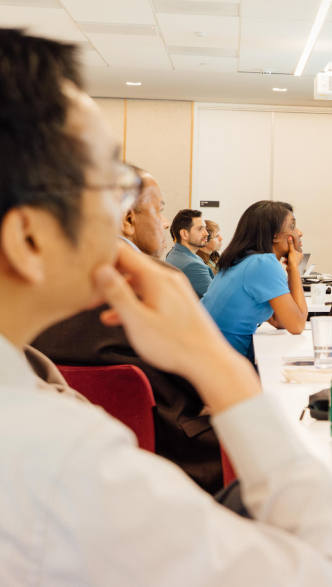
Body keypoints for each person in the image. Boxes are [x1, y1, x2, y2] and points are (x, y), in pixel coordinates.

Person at [0, 27, 332, 585]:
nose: (125, 219)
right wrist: (218, 364)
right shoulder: (58, 465)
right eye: (112, 183)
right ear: (30, 240)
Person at [33, 169, 224, 493]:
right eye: (159, 210)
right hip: (177, 456)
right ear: (127, 219)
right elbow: (209, 382)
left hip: (65, 461)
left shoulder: (36, 285)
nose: (165, 223)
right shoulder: (160, 282)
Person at [201, 202, 308, 362]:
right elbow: (297, 325)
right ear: (274, 236)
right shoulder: (263, 263)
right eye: (292, 226)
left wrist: (291, 269)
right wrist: (293, 267)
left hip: (209, 353)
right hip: (221, 362)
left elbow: (280, 321)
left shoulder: (243, 258)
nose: (299, 232)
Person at [167, 209, 214, 297]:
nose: (206, 233)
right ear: (184, 234)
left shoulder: (175, 254)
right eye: (200, 229)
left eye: (205, 228)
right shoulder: (192, 265)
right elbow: (216, 298)